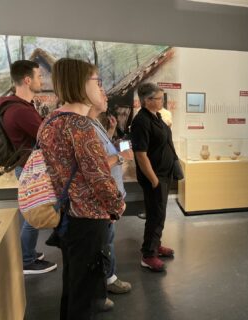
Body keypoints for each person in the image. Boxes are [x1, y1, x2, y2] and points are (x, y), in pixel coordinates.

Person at [38, 58, 125, 319]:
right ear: (80, 83)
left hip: (67, 214)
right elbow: (99, 178)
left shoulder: (50, 121)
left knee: (74, 287)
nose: (101, 88)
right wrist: (117, 205)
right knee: (85, 294)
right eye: (97, 81)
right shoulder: (79, 125)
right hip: (88, 218)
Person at [0, 60, 57, 274]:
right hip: (30, 169)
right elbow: (48, 136)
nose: (42, 79)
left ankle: (27, 251)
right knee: (36, 214)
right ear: (27, 80)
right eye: (39, 76)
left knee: (30, 213)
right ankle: (26, 260)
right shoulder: (21, 111)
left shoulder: (16, 106)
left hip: (26, 167)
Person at [87, 89, 133, 309]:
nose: (105, 96)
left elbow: (103, 154)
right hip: (101, 200)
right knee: (101, 244)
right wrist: (121, 157)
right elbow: (95, 167)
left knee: (106, 241)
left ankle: (108, 279)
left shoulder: (96, 124)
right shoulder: (85, 126)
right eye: (99, 89)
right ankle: (100, 289)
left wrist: (112, 131)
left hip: (110, 198)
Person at [131, 83, 176, 272]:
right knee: (155, 214)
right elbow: (141, 155)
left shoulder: (156, 116)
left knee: (160, 213)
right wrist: (154, 180)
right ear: (147, 100)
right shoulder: (141, 121)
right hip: (154, 177)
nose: (162, 101)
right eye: (159, 98)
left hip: (163, 174)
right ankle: (148, 255)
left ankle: (155, 245)